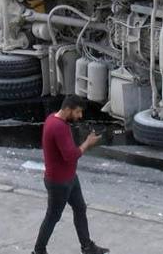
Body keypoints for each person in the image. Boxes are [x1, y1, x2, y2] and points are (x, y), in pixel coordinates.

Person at [32, 95, 109, 254]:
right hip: (59, 182)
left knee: (80, 208)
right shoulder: (59, 127)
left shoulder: (52, 118)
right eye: (78, 112)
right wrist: (88, 143)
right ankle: (38, 251)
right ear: (68, 109)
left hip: (70, 178)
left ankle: (87, 247)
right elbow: (71, 155)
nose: (80, 116)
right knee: (52, 216)